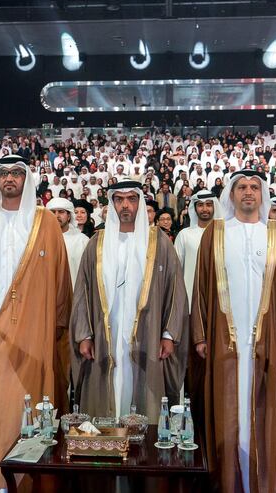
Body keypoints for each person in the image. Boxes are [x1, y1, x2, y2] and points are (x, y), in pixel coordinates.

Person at [0, 155, 72, 492]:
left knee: (34, 407)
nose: (10, 179)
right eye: (4, 173)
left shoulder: (45, 222)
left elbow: (61, 281)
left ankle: (30, 482)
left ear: (27, 179)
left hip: (35, 336)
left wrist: (55, 327)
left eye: (17, 173)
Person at [190, 170, 276, 493]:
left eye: (255, 187)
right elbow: (200, 288)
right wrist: (200, 335)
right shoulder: (214, 232)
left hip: (266, 340)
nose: (248, 192)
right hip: (223, 340)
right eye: (241, 187)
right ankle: (227, 481)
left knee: (265, 412)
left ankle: (264, 482)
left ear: (262, 195)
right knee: (227, 412)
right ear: (231, 195)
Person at [70, 180, 189, 420]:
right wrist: (84, 334)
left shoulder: (160, 242)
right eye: (119, 199)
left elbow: (177, 290)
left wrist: (169, 335)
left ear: (140, 203)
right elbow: (81, 292)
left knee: (143, 396)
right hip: (106, 338)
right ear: (112, 203)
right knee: (106, 393)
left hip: (147, 333)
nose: (126, 205)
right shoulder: (96, 244)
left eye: (132, 199)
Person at [173, 190, 221, 309]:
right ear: (194, 208)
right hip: (190, 299)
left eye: (209, 204)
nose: (204, 209)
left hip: (218, 299)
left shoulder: (224, 235)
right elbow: (175, 270)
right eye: (200, 205)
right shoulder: (184, 235)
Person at [46, 197, 89, 289]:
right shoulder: (40, 240)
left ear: (69, 216)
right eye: (52, 212)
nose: (56, 216)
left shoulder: (82, 241)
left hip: (74, 296)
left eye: (61, 212)